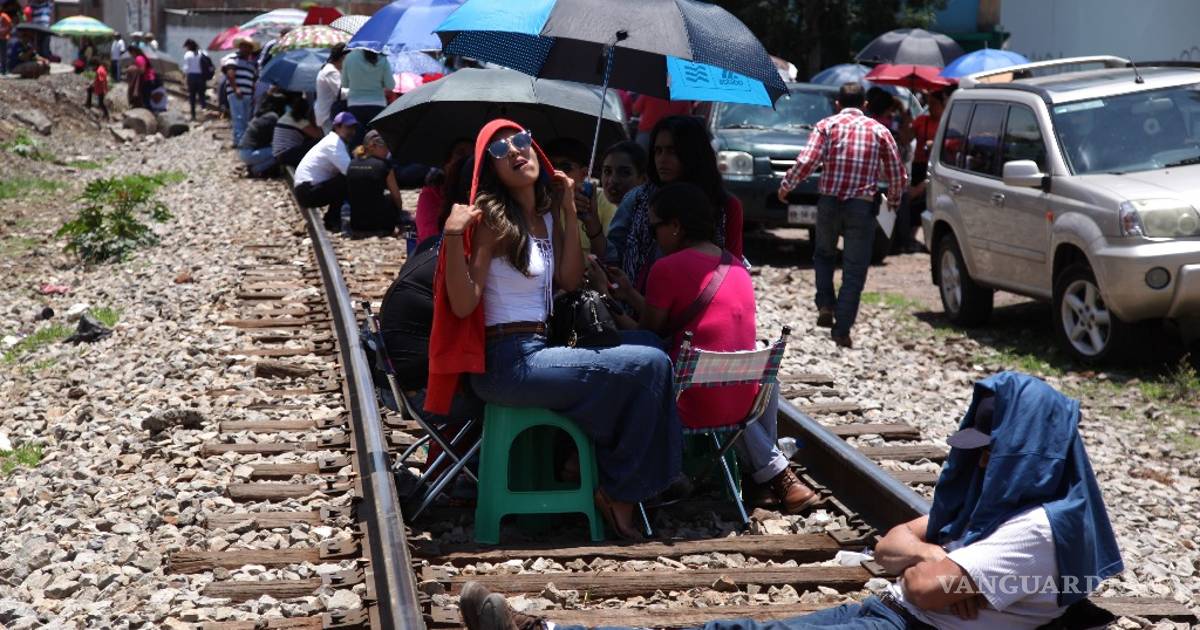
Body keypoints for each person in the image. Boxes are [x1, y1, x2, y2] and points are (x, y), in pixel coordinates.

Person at [459, 371, 1125, 630]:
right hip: (890, 614)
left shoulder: (1036, 530)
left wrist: (937, 570)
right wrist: (943, 561)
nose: (974, 459)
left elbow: (922, 585)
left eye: (989, 448)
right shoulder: (1004, 502)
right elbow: (893, 544)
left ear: (1025, 449)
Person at [429, 119, 682, 540]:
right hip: (507, 362)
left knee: (650, 342)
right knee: (650, 363)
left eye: (521, 140)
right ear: (491, 169)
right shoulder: (491, 221)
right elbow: (464, 302)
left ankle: (594, 464)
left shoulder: (546, 216)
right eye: (500, 150)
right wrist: (454, 236)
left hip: (541, 347)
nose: (515, 151)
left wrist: (567, 209)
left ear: (535, 148)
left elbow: (568, 279)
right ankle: (620, 490)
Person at [605, 183, 819, 513]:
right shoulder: (736, 266)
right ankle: (766, 478)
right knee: (756, 368)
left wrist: (611, 306)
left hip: (687, 406)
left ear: (675, 226)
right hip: (745, 405)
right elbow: (675, 314)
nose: (653, 236)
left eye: (654, 227)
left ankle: (638, 478)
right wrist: (630, 294)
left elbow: (648, 334)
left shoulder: (666, 268)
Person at [777, 82, 906, 349]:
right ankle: (842, 330)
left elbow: (807, 161)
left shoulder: (826, 125)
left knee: (824, 255)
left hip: (829, 203)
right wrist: (893, 201)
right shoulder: (879, 130)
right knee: (854, 270)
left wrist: (787, 186)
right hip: (861, 206)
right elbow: (897, 172)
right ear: (865, 105)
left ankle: (825, 303)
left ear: (837, 104)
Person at [607, 115, 744, 295]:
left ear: (693, 153)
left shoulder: (725, 206)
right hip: (636, 306)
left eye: (672, 151)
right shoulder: (638, 199)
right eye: (658, 151)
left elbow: (732, 270)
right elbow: (612, 256)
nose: (662, 159)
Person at [897, 87, 953, 253]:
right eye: (929, 103)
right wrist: (906, 120)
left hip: (939, 166)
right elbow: (906, 139)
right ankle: (909, 238)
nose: (931, 107)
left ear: (943, 104)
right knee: (915, 203)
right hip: (920, 165)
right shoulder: (922, 121)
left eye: (934, 104)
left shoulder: (949, 121)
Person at [542, 137, 617, 257]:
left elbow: (610, 256)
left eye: (566, 167)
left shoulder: (602, 200)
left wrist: (592, 223)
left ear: (584, 173)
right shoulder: (538, 201)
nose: (557, 173)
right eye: (551, 166)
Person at [294, 111, 357, 231]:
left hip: (307, 189)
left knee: (344, 179)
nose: (352, 131)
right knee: (346, 179)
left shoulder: (334, 141)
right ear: (337, 127)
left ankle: (333, 219)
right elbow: (350, 171)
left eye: (354, 128)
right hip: (308, 192)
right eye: (348, 127)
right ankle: (333, 220)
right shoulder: (334, 144)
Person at [346, 130, 406, 235]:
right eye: (386, 147)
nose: (388, 151)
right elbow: (396, 196)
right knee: (390, 198)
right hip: (380, 225)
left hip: (356, 224)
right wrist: (400, 214)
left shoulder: (352, 163)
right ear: (373, 146)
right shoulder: (384, 165)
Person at [415, 138, 472, 244]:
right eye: (460, 153)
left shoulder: (486, 195)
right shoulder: (431, 194)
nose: (467, 159)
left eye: (473, 155)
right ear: (446, 164)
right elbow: (429, 239)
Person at [340, 47, 394, 150]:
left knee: (356, 139)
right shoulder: (382, 59)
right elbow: (390, 85)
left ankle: (356, 158)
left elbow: (345, 84)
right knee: (376, 140)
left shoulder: (349, 57)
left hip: (355, 105)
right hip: (377, 105)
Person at [223, 37, 260, 147]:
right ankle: (239, 141)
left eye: (249, 47)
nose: (247, 49)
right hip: (237, 93)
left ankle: (242, 140)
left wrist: (253, 94)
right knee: (238, 117)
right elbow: (230, 74)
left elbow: (253, 80)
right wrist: (236, 89)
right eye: (245, 47)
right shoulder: (232, 58)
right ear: (240, 47)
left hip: (248, 94)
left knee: (246, 118)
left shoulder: (251, 63)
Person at [239, 94, 286, 178]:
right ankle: (255, 170)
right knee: (279, 153)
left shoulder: (261, 115)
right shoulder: (273, 117)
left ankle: (251, 167)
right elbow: (276, 139)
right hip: (250, 153)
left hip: (243, 151)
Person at [271, 94, 322, 169]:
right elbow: (318, 135)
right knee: (319, 143)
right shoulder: (299, 121)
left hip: (280, 154)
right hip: (286, 154)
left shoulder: (286, 117)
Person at [314, 43, 348, 134]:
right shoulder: (331, 71)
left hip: (327, 114)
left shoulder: (331, 69)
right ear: (343, 57)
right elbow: (341, 93)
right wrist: (359, 91)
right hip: (329, 115)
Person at [181, 39, 209, 120]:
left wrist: (183, 77)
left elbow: (186, 68)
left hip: (192, 77)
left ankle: (193, 115)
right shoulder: (203, 52)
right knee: (202, 95)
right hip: (201, 77)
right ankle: (204, 113)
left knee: (192, 96)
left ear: (189, 46)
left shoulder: (188, 54)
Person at [125, 44, 158, 110]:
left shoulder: (138, 58)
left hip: (148, 79)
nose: (131, 55)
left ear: (133, 52)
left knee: (146, 99)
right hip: (150, 79)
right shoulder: (142, 57)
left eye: (130, 53)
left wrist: (133, 69)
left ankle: (148, 112)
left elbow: (142, 70)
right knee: (147, 98)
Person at [0, 7, 12, 76]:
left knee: (4, 55)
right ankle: (2, 70)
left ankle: (6, 70)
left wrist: (4, 31)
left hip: (4, 38)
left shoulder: (4, 16)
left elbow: (10, 25)